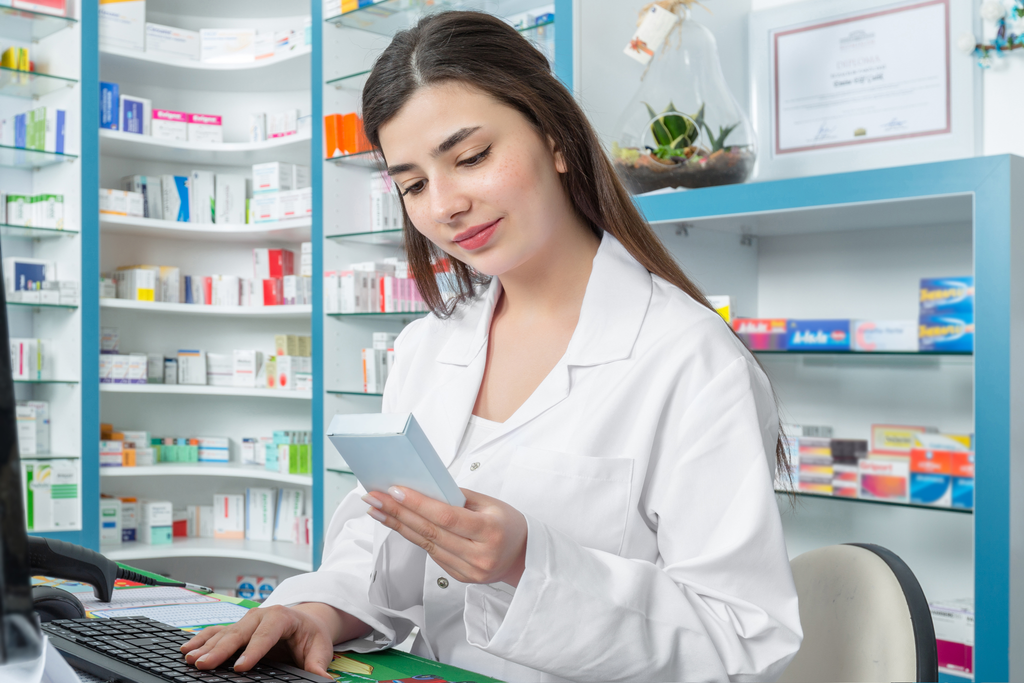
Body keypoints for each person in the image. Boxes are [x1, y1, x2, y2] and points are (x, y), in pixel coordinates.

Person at [181, 11, 802, 682]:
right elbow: (380, 548)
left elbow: (745, 642)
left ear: (555, 138)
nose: (444, 204)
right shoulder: (425, 348)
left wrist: (528, 563)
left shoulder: (690, 359)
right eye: (413, 184)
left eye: (471, 156)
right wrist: (321, 611)